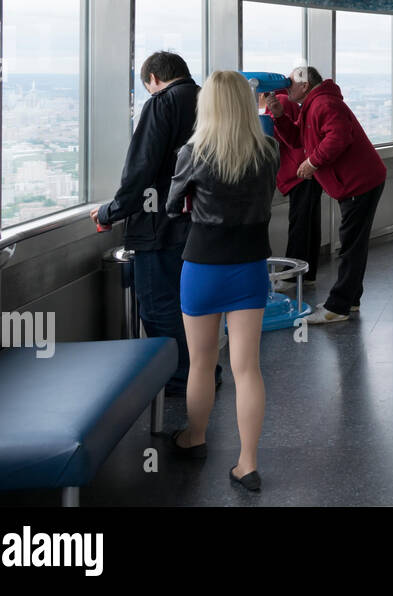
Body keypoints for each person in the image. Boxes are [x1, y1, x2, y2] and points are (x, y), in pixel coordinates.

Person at [165, 70, 279, 492]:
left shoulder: (193, 152)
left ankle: (194, 437)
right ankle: (247, 464)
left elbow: (172, 206)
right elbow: (267, 199)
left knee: (201, 361)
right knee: (247, 369)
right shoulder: (269, 150)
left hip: (202, 266)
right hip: (249, 265)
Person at [91, 51, 219, 396]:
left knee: (159, 305)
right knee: (192, 304)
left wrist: (112, 211)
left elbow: (142, 167)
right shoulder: (210, 101)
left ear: (154, 80)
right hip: (202, 223)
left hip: (159, 225)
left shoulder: (161, 103)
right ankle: (207, 372)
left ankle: (181, 379)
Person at [266, 66, 385, 324]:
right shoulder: (313, 106)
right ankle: (350, 299)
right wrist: (279, 117)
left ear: (305, 85)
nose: (287, 88)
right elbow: (298, 139)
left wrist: (313, 163)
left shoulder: (324, 104)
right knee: (354, 243)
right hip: (356, 182)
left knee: (351, 245)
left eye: (291, 84)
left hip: (359, 183)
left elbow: (339, 137)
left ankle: (338, 307)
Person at [265, 74, 323, 290]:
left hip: (299, 172)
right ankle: (308, 273)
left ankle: (291, 276)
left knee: (299, 225)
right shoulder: (288, 102)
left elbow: (275, 138)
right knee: (309, 223)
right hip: (307, 171)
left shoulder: (280, 103)